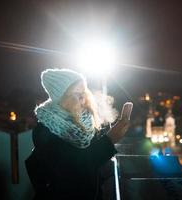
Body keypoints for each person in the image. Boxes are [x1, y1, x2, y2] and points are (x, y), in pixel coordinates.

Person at [25, 68, 131, 200]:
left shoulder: (87, 122)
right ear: (61, 98)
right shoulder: (44, 131)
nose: (83, 97)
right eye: (76, 93)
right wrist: (110, 140)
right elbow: (74, 170)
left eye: (84, 91)